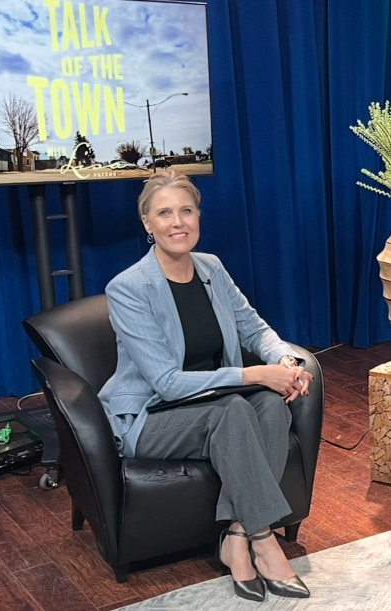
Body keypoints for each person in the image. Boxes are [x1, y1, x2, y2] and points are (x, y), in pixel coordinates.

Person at [98, 169, 313, 601]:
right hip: (153, 414)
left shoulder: (211, 267)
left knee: (271, 406)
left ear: (198, 215)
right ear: (147, 223)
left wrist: (283, 361)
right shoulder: (127, 288)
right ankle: (264, 541)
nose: (178, 222)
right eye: (164, 213)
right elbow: (166, 383)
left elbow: (254, 328)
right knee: (234, 409)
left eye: (187, 211)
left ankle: (236, 536)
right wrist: (254, 374)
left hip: (216, 402)